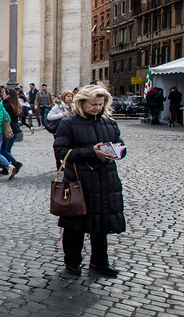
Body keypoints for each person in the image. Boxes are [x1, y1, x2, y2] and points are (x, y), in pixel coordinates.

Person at [53, 84, 126, 277]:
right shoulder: (68, 123)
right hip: (80, 180)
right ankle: (72, 263)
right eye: (93, 104)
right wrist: (91, 152)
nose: (97, 108)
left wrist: (117, 152)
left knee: (101, 224)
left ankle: (100, 262)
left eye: (100, 104)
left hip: (105, 180)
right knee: (74, 225)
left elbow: (121, 145)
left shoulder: (109, 123)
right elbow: (61, 152)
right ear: (82, 103)